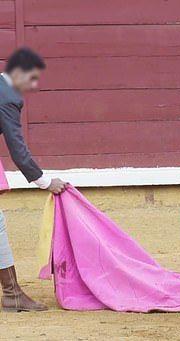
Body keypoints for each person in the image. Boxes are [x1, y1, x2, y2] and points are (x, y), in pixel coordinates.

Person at [0, 47, 67, 312]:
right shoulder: (7, 97)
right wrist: (44, 181)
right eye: (31, 78)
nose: (33, 85)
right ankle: (11, 292)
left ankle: (11, 292)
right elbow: (17, 149)